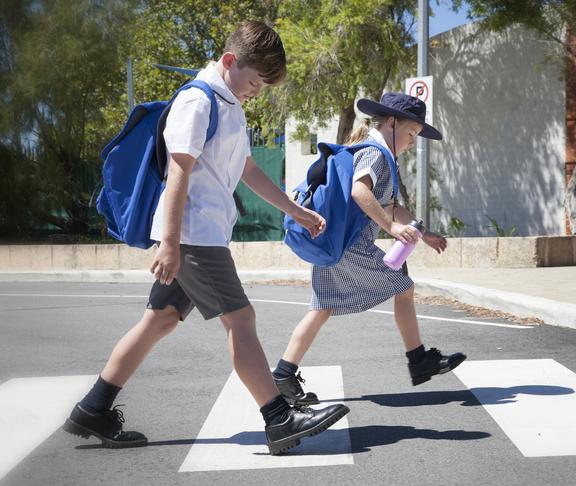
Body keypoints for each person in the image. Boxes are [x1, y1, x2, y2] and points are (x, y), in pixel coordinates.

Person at [62, 21, 348, 456]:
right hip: (194, 237)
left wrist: (297, 211)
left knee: (158, 321)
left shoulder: (229, 103)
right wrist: (171, 244)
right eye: (254, 81)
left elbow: (247, 170)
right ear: (230, 62)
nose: (256, 90)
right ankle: (279, 418)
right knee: (241, 320)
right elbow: (179, 173)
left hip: (201, 233)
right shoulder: (198, 102)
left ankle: (93, 408)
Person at [272, 92, 467, 406]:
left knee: (321, 308)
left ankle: (283, 373)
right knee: (404, 287)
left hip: (333, 243)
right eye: (410, 133)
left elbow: (389, 205)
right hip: (351, 246)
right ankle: (418, 360)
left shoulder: (375, 153)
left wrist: (423, 233)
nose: (412, 142)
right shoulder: (376, 153)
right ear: (391, 123)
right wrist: (391, 228)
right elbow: (359, 191)